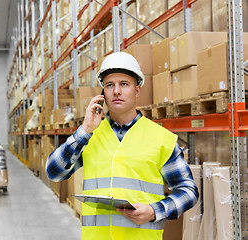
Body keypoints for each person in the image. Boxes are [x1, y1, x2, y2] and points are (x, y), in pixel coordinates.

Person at [45, 52, 199, 240]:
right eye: (110, 85)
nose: (116, 91)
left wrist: (154, 211)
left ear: (137, 90)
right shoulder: (90, 136)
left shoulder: (161, 139)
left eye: (124, 84)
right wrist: (84, 130)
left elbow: (188, 191)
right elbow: (54, 171)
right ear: (103, 93)